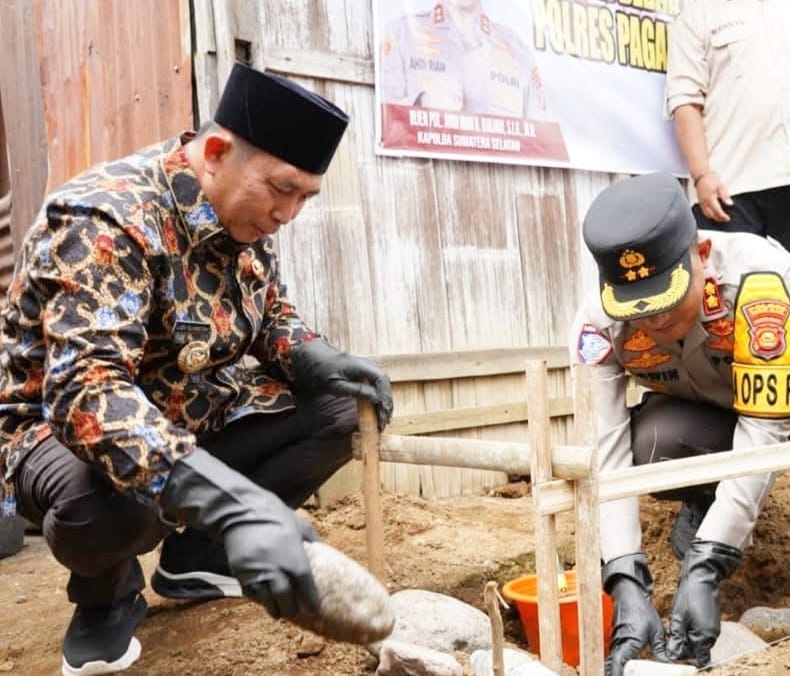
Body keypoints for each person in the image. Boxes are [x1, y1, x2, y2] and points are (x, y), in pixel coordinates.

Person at [0, 63, 394, 675]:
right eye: (283, 189)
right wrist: (234, 504)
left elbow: (266, 312)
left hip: (190, 406)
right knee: (108, 500)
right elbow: (88, 395)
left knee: (342, 408)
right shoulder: (104, 219)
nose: (289, 213)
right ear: (215, 154)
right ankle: (107, 594)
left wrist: (309, 353)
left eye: (305, 198)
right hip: (59, 430)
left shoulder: (247, 213)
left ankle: (199, 558)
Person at [569, 172, 790, 675]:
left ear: (701, 253)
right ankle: (703, 498)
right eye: (639, 309)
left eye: (667, 299)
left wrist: (709, 561)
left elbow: (764, 431)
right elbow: (606, 452)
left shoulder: (761, 279)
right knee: (652, 445)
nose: (655, 322)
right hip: (702, 412)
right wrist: (624, 578)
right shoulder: (598, 323)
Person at [665, 0, 790, 311]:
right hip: (727, 191)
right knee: (728, 307)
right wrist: (701, 174)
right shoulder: (698, 15)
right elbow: (685, 103)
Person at [380, 0, 546, 118]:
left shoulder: (517, 49)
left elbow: (541, 140)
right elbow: (384, 121)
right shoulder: (401, 34)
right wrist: (420, 103)